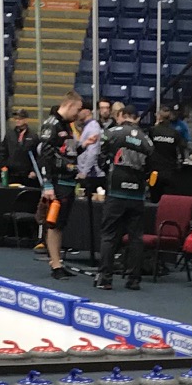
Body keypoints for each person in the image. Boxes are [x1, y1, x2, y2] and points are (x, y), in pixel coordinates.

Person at [96, 103, 153, 291]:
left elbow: (100, 158)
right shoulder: (147, 140)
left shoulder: (112, 132)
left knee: (109, 235)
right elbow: (150, 168)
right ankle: (134, 279)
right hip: (137, 194)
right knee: (136, 237)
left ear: (122, 115)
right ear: (136, 118)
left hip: (116, 191)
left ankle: (105, 278)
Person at [32, 92, 86, 277]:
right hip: (56, 182)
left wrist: (84, 145)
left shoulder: (68, 127)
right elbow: (45, 156)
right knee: (54, 224)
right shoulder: (51, 125)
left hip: (68, 180)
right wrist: (47, 185)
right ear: (69, 104)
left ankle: (58, 262)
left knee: (61, 223)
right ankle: (55, 265)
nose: (78, 114)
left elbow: (69, 152)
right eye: (77, 109)